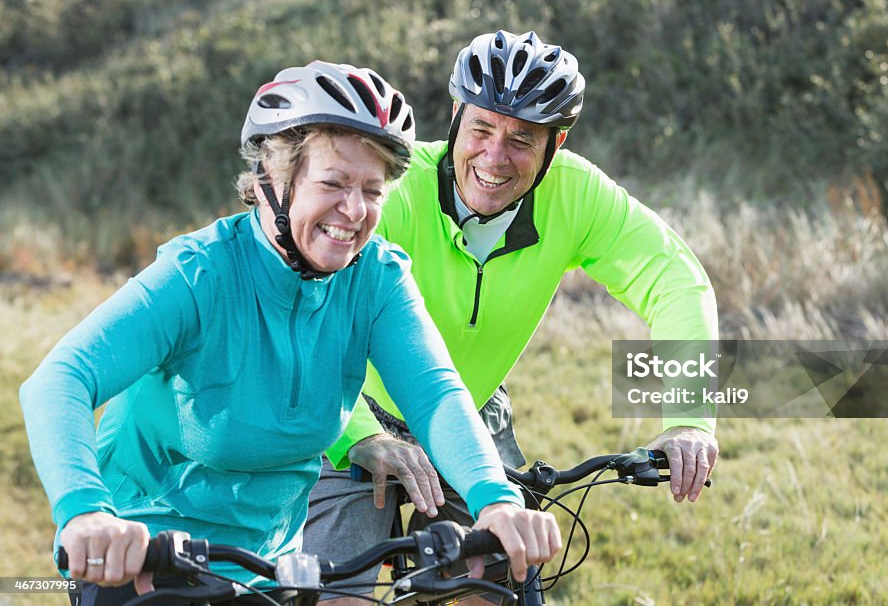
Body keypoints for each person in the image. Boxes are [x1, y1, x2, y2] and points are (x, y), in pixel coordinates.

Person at [19, 60, 561, 606]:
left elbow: (437, 395)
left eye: (373, 191)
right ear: (272, 180)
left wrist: (495, 500)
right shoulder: (198, 275)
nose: (354, 211)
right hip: (141, 555)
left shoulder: (376, 278)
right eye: (333, 183)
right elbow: (61, 379)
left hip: (270, 566)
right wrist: (85, 512)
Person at [304, 31, 719, 603]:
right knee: (332, 593)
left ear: (556, 143)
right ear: (454, 116)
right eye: (481, 129)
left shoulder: (576, 194)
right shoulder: (393, 191)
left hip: (469, 416)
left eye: (522, 139)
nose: (494, 157)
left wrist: (689, 416)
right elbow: (309, 318)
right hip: (351, 409)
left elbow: (674, 279)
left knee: (486, 588)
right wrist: (359, 436)